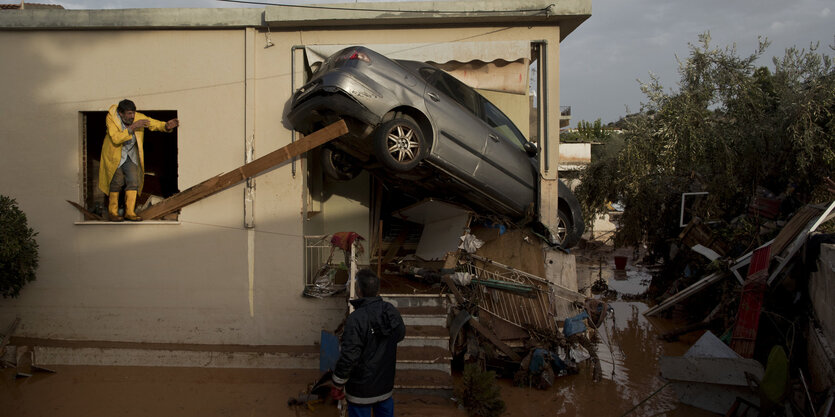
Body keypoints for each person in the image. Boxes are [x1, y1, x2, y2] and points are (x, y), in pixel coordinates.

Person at [332, 269, 406, 417]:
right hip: (385, 386)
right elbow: (399, 335)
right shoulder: (390, 311)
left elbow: (349, 355)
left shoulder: (356, 318)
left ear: (359, 290)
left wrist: (338, 383)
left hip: (361, 392)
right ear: (378, 290)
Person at [98, 99, 178, 221]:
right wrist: (133, 127)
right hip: (115, 155)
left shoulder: (137, 117)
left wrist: (165, 126)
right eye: (129, 114)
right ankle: (113, 213)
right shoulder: (111, 118)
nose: (132, 116)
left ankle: (129, 212)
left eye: (133, 113)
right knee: (117, 182)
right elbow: (115, 138)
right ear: (120, 113)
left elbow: (152, 123)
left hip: (131, 155)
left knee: (134, 181)